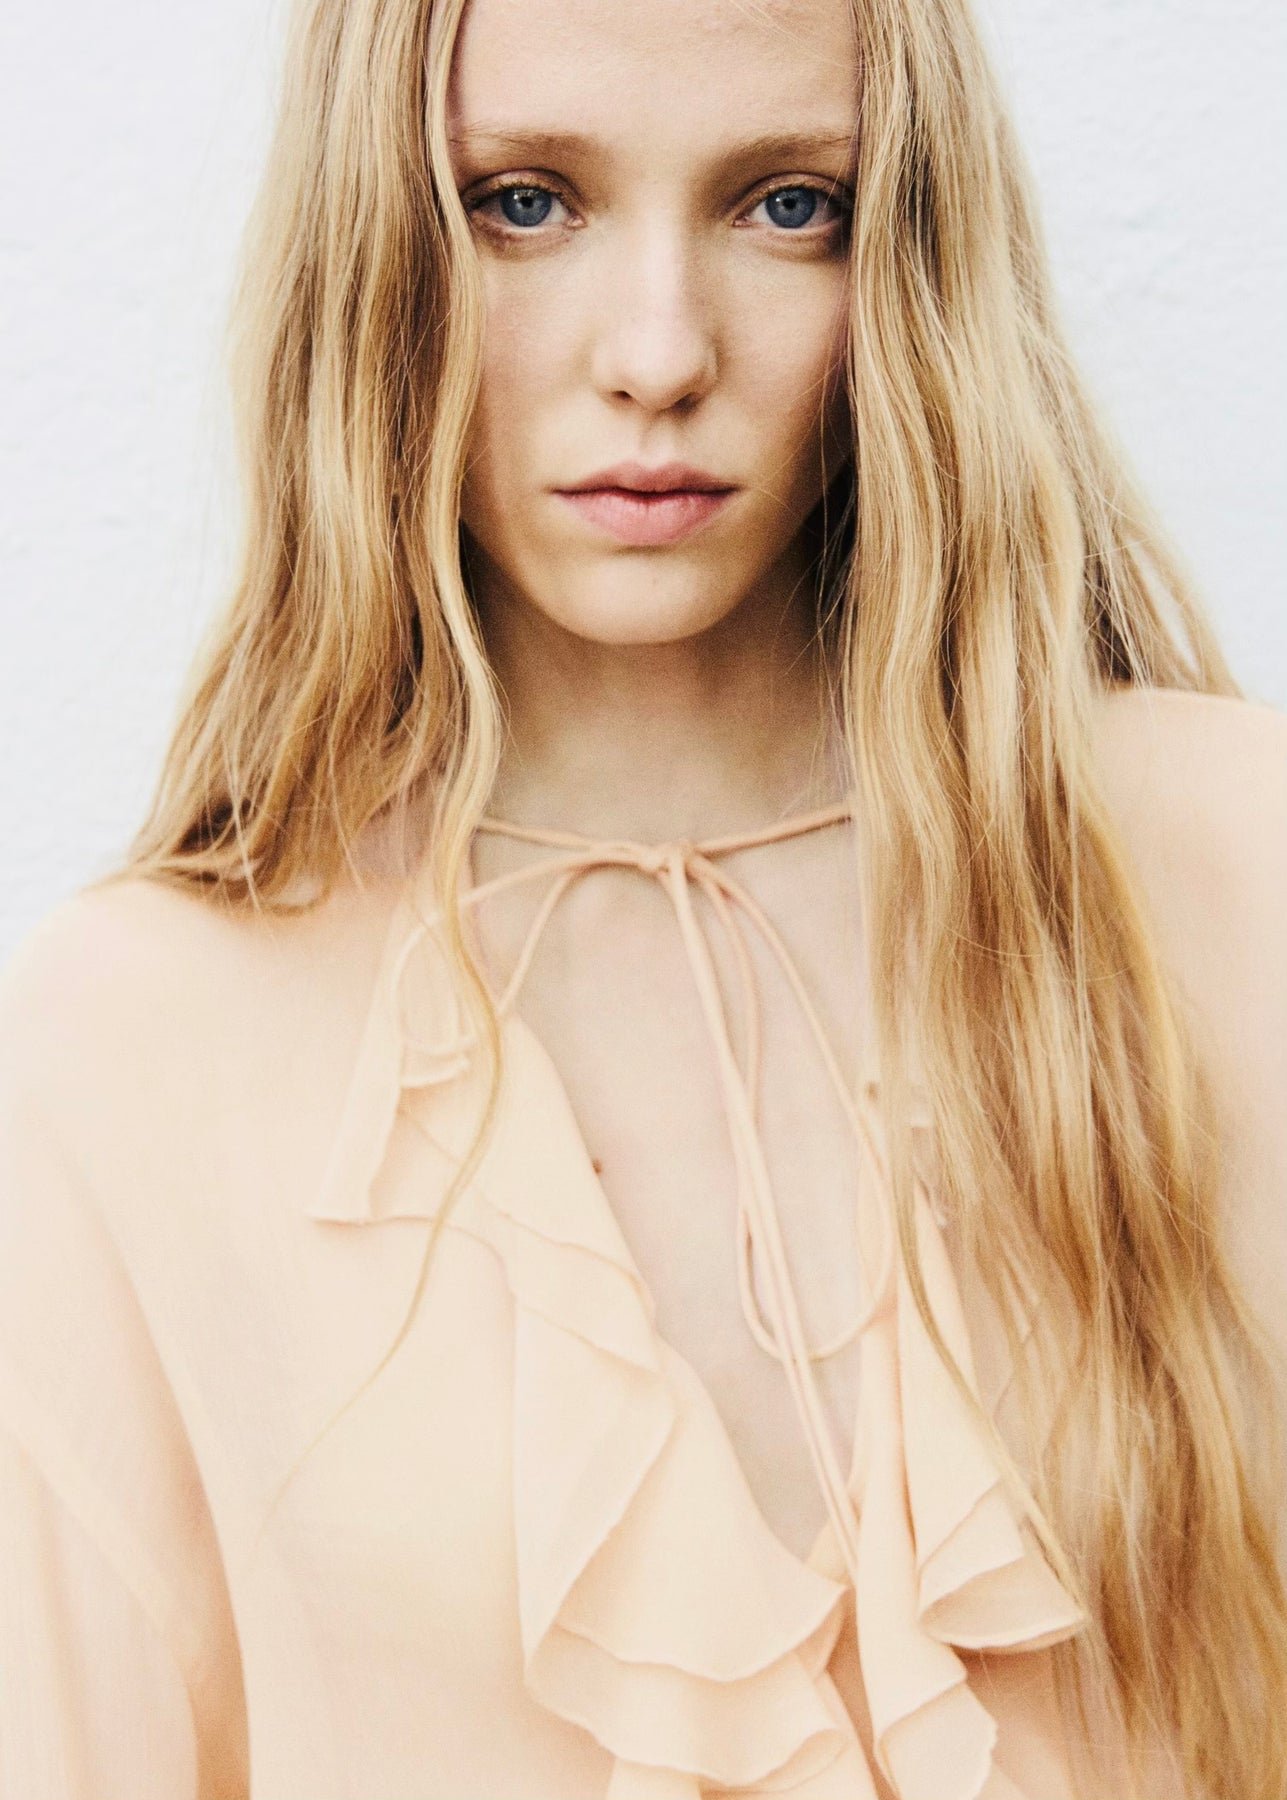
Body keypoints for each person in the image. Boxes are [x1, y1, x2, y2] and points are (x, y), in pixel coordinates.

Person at [1, 0, 1284, 1795]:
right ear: (375, 247)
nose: (662, 354)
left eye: (789, 205)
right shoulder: (126, 1040)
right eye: (525, 203)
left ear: (906, 253)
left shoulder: (1233, 864)